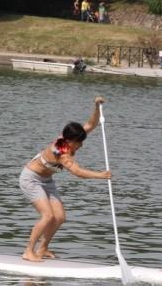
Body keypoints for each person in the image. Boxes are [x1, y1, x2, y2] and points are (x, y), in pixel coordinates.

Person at [19, 97, 112, 262]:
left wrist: (96, 107)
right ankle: (28, 251)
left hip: (47, 180)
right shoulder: (61, 152)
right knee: (48, 216)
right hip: (31, 179)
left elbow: (91, 124)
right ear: (69, 141)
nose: (81, 146)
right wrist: (101, 175)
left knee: (60, 217)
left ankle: (42, 249)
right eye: (78, 143)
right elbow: (77, 172)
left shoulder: (70, 136)